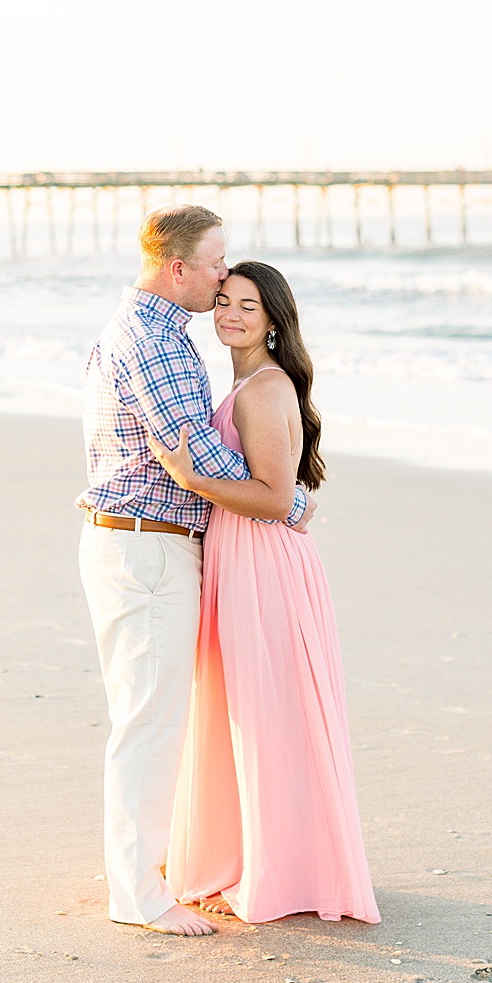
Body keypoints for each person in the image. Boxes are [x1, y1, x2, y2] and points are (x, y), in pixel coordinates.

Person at [76, 205, 314, 937]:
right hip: (146, 546)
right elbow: (197, 458)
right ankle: (138, 893)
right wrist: (292, 497)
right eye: (216, 263)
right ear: (178, 267)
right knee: (150, 721)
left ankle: (144, 873)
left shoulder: (148, 332)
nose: (221, 280)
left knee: (151, 715)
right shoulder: (156, 342)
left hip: (140, 543)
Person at [152, 262, 380, 925]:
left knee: (264, 712)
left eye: (247, 307)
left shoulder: (261, 389)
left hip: (263, 565)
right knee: (254, 711)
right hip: (250, 558)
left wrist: (188, 478)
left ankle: (282, 869)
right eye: (223, 301)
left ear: (274, 319)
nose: (230, 314)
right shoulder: (252, 382)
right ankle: (263, 854)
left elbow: (275, 498)